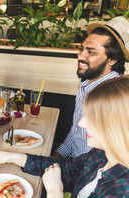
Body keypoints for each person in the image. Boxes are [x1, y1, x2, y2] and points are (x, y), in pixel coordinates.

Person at [0, 75, 129, 198]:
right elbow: (66, 169)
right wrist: (11, 157)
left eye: (92, 118)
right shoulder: (103, 155)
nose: (81, 124)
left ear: (120, 127)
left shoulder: (121, 197)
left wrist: (54, 194)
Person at [53, 16, 129, 159]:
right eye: (81, 49)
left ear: (112, 60)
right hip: (72, 162)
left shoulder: (115, 98)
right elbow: (75, 133)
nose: (81, 56)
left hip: (85, 172)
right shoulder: (86, 85)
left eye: (91, 52)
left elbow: (101, 160)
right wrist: (56, 157)